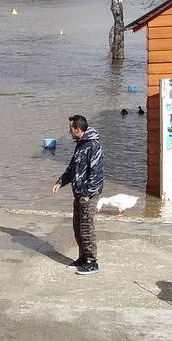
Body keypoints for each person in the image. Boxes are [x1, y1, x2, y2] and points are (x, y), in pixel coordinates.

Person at [51, 114, 104, 275]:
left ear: (78, 129)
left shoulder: (93, 146)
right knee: (77, 226)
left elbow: (96, 173)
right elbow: (72, 167)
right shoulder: (80, 145)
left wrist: (87, 194)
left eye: (70, 129)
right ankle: (82, 257)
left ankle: (91, 261)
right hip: (78, 193)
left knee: (87, 227)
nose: (69, 132)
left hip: (87, 195)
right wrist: (60, 182)